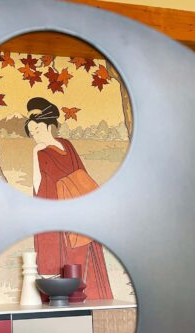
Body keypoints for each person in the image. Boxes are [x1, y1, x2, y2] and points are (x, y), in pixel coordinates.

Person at [25, 97, 113, 300]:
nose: (35, 135)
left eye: (37, 129)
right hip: (60, 213)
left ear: (48, 125)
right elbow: (38, 187)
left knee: (83, 257)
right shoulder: (40, 152)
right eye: (31, 132)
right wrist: (35, 153)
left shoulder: (67, 144)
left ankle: (92, 298)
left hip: (78, 210)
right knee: (68, 261)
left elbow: (82, 175)